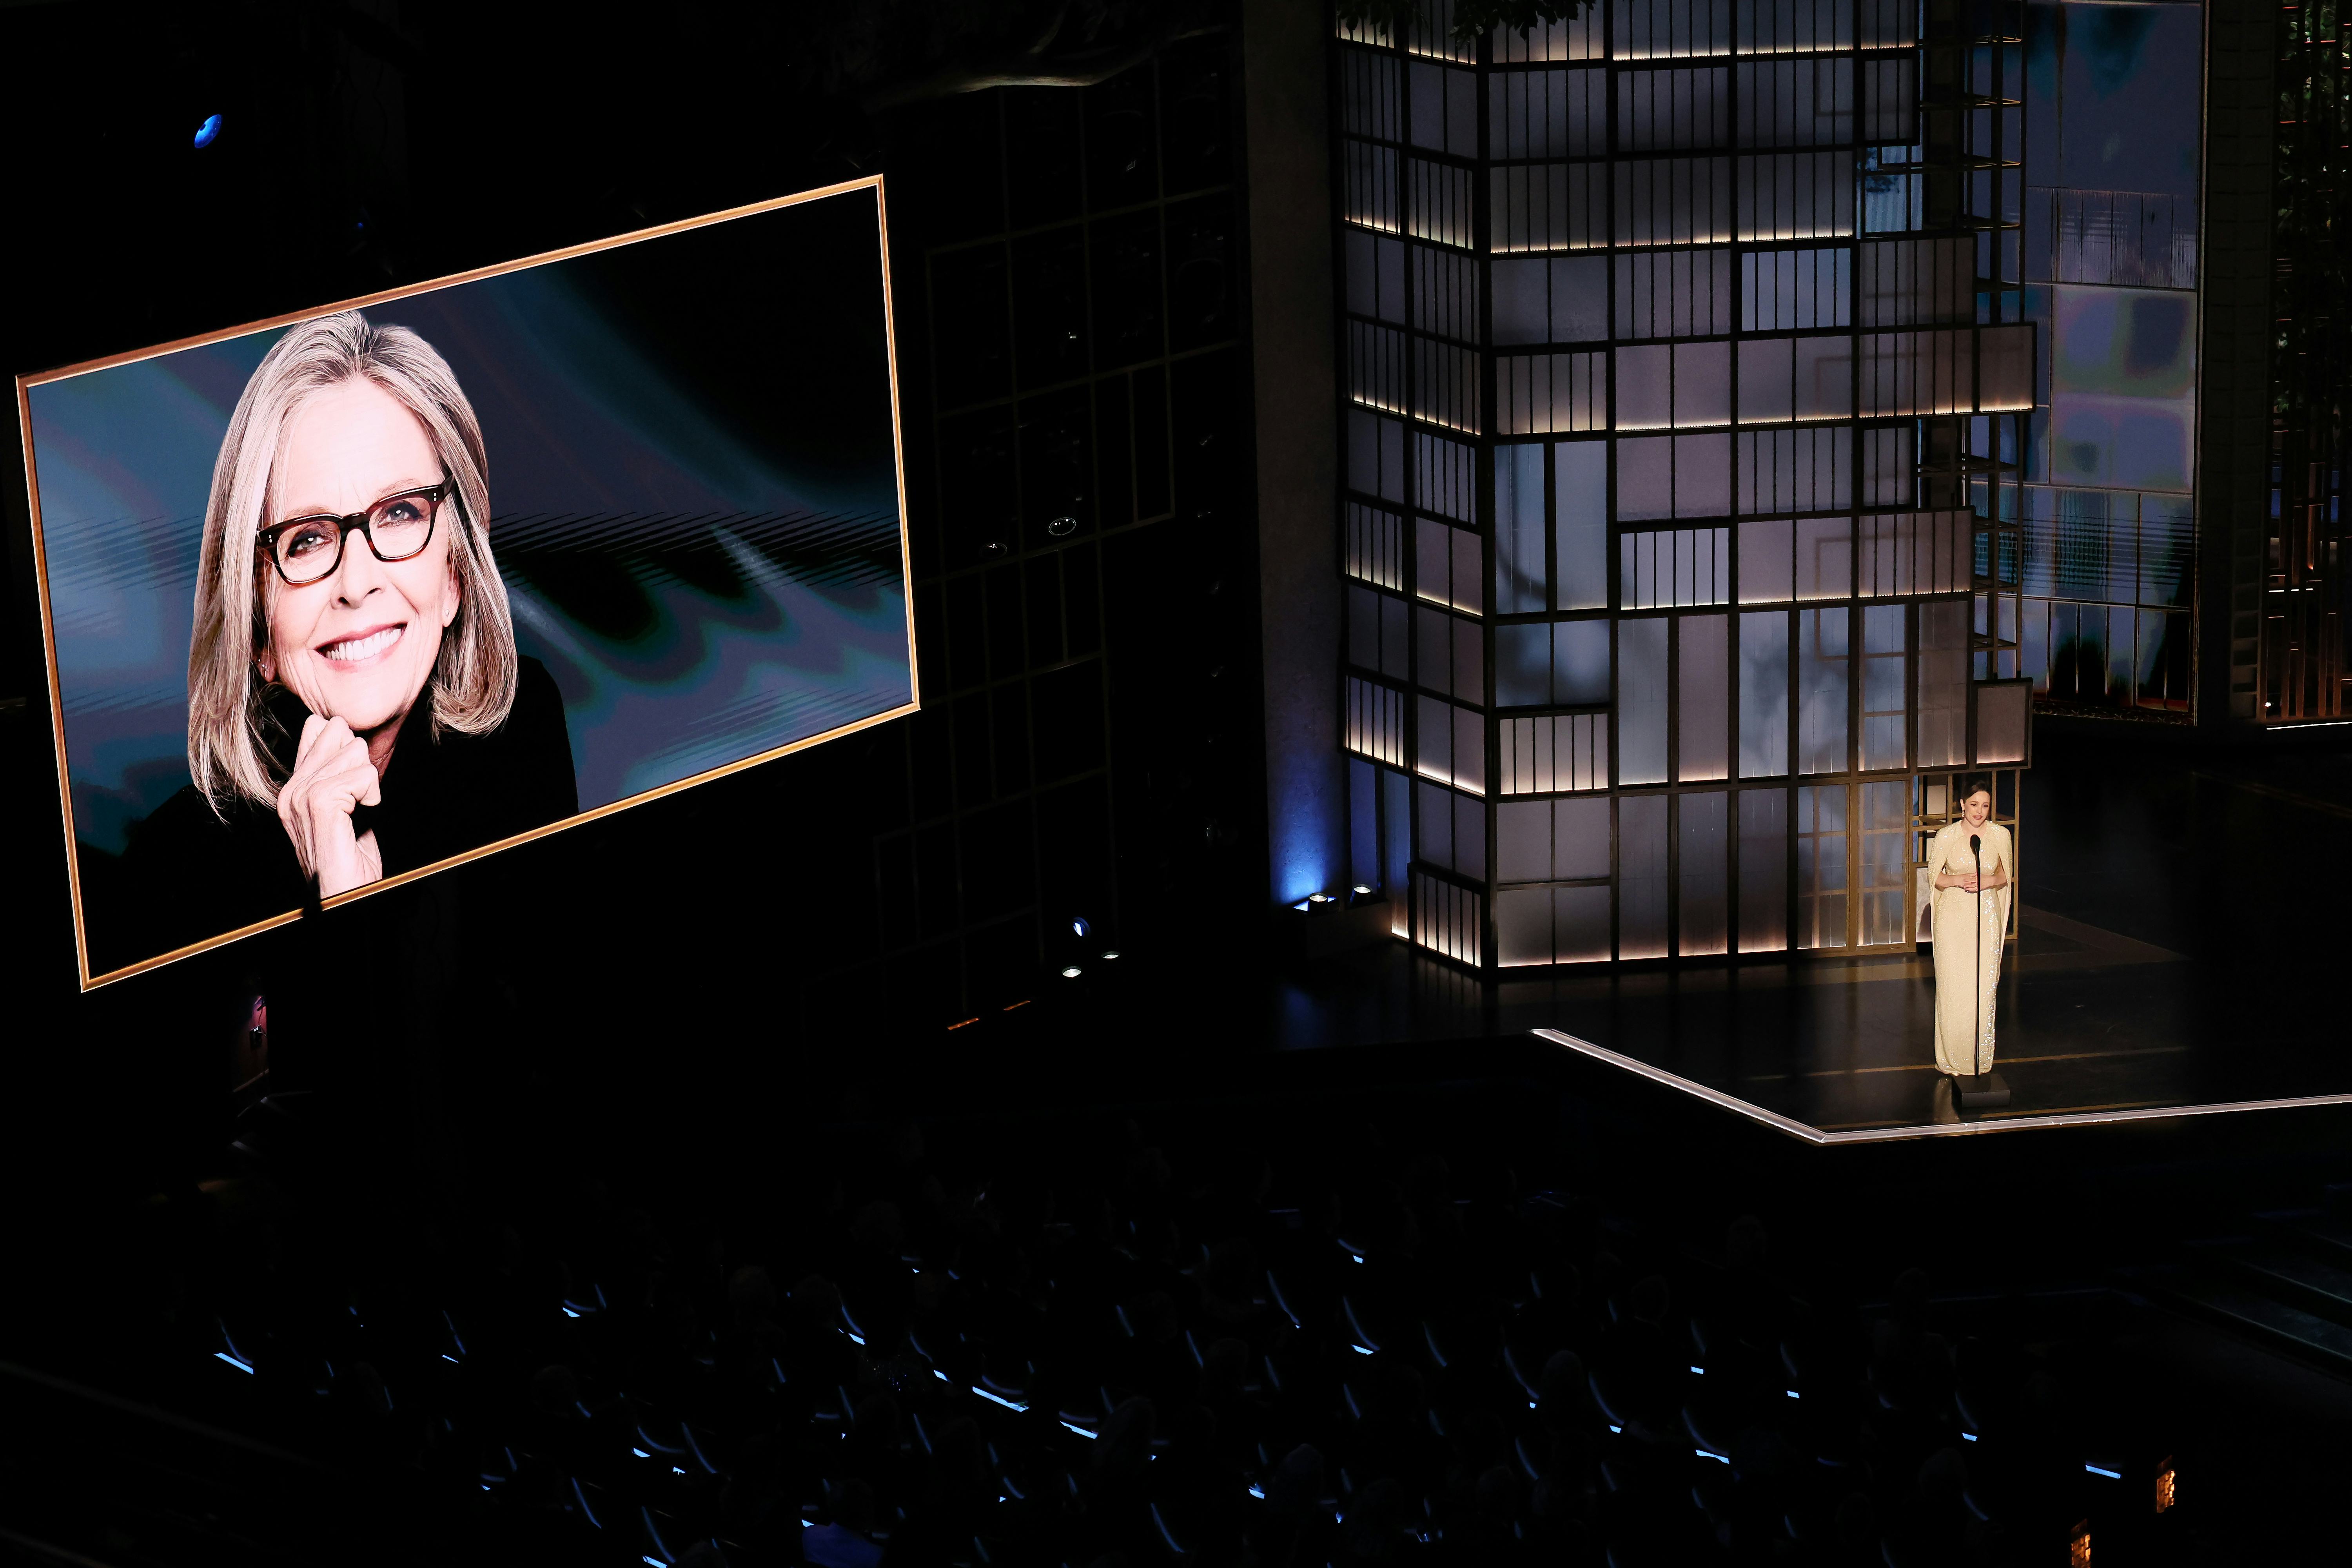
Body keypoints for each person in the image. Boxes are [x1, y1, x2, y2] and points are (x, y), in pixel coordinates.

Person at [122, 310, 575, 957]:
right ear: (258, 631)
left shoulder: (524, 736)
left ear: (454, 575)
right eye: (305, 540)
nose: (356, 582)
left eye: (399, 513)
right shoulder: (170, 876)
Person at [1922, 779, 2013, 1081]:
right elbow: (1935, 878)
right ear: (1962, 805)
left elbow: (2004, 874)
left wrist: (1988, 881)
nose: (1979, 811)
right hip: (1953, 916)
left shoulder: (2001, 835)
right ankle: (1952, 1058)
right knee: (1953, 987)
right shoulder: (1946, 835)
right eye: (1974, 805)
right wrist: (1959, 880)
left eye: (1985, 806)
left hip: (1985, 914)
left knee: (1983, 986)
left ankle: (1978, 1057)